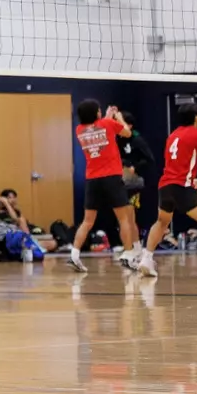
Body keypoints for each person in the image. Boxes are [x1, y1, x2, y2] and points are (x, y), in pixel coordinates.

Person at [68, 99, 139, 273]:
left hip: (92, 180)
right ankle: (129, 254)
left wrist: (107, 116)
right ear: (97, 113)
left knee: (87, 221)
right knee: (123, 218)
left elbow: (98, 128)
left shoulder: (79, 130)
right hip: (112, 178)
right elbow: (127, 133)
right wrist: (119, 117)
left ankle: (74, 255)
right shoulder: (108, 123)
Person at [136, 105, 197, 278]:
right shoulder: (196, 135)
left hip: (166, 186)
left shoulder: (173, 136)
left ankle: (146, 259)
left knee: (162, 222)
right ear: (195, 117)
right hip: (182, 186)